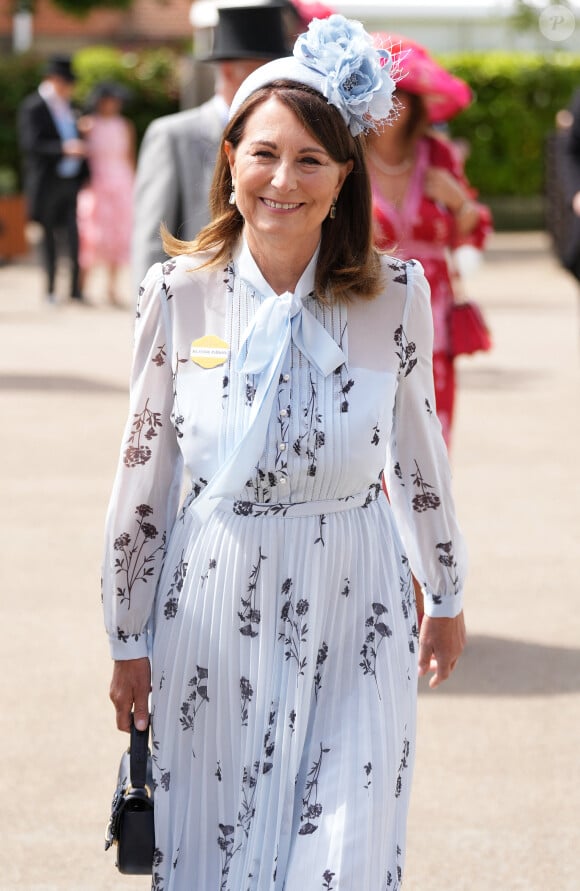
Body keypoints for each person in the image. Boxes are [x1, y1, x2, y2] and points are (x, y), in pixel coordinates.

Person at [103, 14, 467, 890]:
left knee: (344, 852)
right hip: (213, 603)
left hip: (360, 602)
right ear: (230, 158)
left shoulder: (398, 296)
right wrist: (125, 633)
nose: (283, 179)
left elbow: (419, 453)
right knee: (216, 851)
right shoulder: (178, 294)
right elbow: (144, 473)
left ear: (345, 176)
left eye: (311, 159)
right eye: (264, 153)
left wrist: (447, 587)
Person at [368, 35, 492, 448]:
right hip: (365, 304)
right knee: (369, 430)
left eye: (402, 94)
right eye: (382, 92)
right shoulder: (341, 155)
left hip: (432, 310)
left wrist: (458, 202)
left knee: (429, 436)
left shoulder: (437, 155)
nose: (392, 104)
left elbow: (473, 232)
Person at [132, 2, 289, 287]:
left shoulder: (286, 139)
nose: (277, 83)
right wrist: (150, 320)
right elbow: (151, 241)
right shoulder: (173, 135)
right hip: (196, 306)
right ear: (230, 71)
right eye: (264, 71)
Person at [17, 54, 88, 304]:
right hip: (47, 183)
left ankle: (74, 290)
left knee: (74, 235)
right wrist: (64, 148)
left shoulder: (71, 106)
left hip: (70, 181)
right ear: (54, 80)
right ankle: (49, 290)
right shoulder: (34, 106)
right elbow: (30, 144)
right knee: (47, 238)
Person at [76, 81, 136, 307]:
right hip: (97, 181)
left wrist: (135, 183)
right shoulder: (88, 124)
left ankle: (111, 288)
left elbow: (129, 155)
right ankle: (81, 285)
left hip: (121, 181)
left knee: (118, 234)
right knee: (90, 232)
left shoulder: (124, 125)